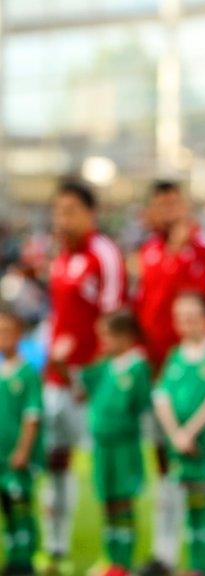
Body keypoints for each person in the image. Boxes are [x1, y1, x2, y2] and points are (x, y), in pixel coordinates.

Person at [135, 180, 205, 576]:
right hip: (161, 369)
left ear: (186, 205)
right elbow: (141, 302)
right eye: (160, 204)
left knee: (201, 466)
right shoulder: (148, 251)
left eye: (174, 202)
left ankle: (204, 556)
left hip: (198, 369)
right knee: (164, 462)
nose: (169, 211)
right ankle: (165, 552)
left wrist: (179, 254)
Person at [43, 180, 126, 575]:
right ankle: (55, 545)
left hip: (91, 382)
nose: (63, 218)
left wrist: (91, 378)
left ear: (91, 214)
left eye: (71, 210)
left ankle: (116, 555)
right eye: (58, 211)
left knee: (106, 466)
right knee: (55, 460)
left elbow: (113, 323)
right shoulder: (60, 257)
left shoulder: (104, 254)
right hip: (56, 378)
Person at [152, 293, 205, 576]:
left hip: (204, 444)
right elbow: (162, 397)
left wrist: (189, 432)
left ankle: (203, 564)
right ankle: (176, 558)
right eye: (181, 318)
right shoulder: (175, 356)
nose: (186, 323)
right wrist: (175, 433)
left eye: (192, 316)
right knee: (181, 502)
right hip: (179, 444)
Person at [80, 311, 151, 576]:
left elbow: (142, 406)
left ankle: (124, 561)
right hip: (102, 447)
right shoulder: (106, 366)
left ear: (126, 336)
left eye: (108, 335)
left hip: (123, 447)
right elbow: (79, 383)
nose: (103, 341)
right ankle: (110, 559)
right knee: (107, 500)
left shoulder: (137, 367)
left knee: (123, 501)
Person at [0, 307, 43, 576]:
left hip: (17, 455)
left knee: (20, 505)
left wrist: (24, 450)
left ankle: (26, 559)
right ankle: (11, 556)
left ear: (19, 335)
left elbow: (32, 415)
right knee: (6, 507)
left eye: (7, 331)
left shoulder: (27, 373)